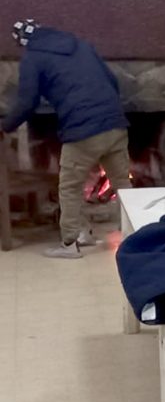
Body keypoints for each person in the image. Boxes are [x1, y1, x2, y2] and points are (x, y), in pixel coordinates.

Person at [1, 19, 131, 259]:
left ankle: (70, 243)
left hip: (83, 129)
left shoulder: (33, 57)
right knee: (122, 183)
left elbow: (27, 102)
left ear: (23, 42)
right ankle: (135, 236)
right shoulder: (81, 45)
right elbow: (112, 81)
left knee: (70, 187)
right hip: (115, 123)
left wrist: (5, 126)